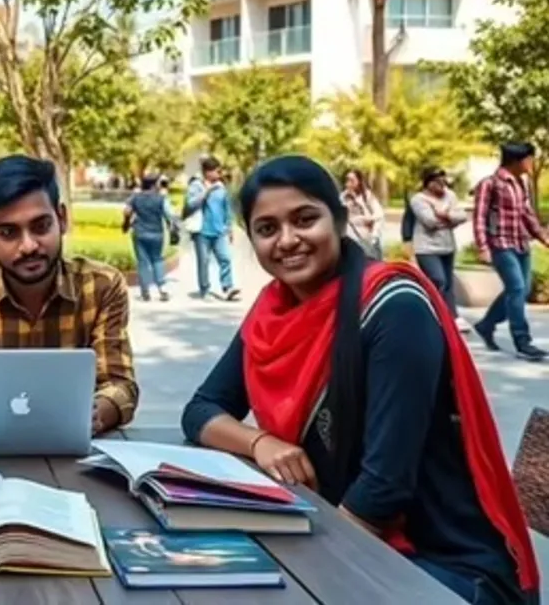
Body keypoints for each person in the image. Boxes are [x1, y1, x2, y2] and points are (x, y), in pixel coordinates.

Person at [180, 155, 538, 604]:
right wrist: (260, 443)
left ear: (341, 219)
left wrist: (302, 575)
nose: (288, 240)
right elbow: (201, 410)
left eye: (305, 219)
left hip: (444, 566)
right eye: (267, 229)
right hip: (340, 530)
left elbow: (382, 490)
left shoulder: (393, 306)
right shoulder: (274, 311)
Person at [0, 154, 138, 435]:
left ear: (62, 219)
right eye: (9, 233)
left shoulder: (102, 285)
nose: (29, 245)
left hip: (79, 448)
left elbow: (120, 385)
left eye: (41, 226)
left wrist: (93, 413)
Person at [472, 142, 549, 361]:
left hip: (520, 243)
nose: (531, 164)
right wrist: (483, 247)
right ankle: (523, 341)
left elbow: (527, 215)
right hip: (501, 244)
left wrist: (543, 237)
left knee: (521, 291)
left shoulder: (519, 184)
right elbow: (479, 217)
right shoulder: (489, 184)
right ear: (517, 161)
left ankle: (486, 325)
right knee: (516, 289)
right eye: (529, 159)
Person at [411, 166, 470, 333]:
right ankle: (433, 315)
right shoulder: (418, 199)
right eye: (437, 181)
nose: (442, 184)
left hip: (447, 246)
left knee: (448, 283)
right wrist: (450, 219)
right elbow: (429, 221)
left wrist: (444, 215)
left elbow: (462, 216)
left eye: (443, 180)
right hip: (427, 248)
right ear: (428, 183)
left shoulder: (450, 195)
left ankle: (453, 317)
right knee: (438, 280)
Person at [184, 157, 239, 301]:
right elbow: (190, 205)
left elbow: (226, 208)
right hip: (202, 231)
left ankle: (228, 287)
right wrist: (206, 192)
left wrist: (229, 227)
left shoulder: (221, 187)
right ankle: (205, 290)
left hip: (219, 231)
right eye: (217, 171)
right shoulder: (196, 186)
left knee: (225, 258)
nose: (219, 173)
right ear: (207, 172)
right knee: (204, 261)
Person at [123, 174, 177, 302]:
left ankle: (145, 291)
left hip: (140, 233)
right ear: (154, 185)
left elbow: (126, 211)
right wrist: (173, 227)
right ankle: (162, 288)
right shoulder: (161, 198)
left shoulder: (135, 198)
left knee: (143, 262)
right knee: (157, 259)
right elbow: (170, 214)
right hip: (156, 233)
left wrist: (126, 222)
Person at [341, 169, 384, 259]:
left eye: (352, 180)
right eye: (347, 180)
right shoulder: (343, 197)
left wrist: (367, 218)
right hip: (352, 237)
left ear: (359, 182)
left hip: (369, 237)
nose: (348, 184)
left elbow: (379, 213)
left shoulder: (367, 195)